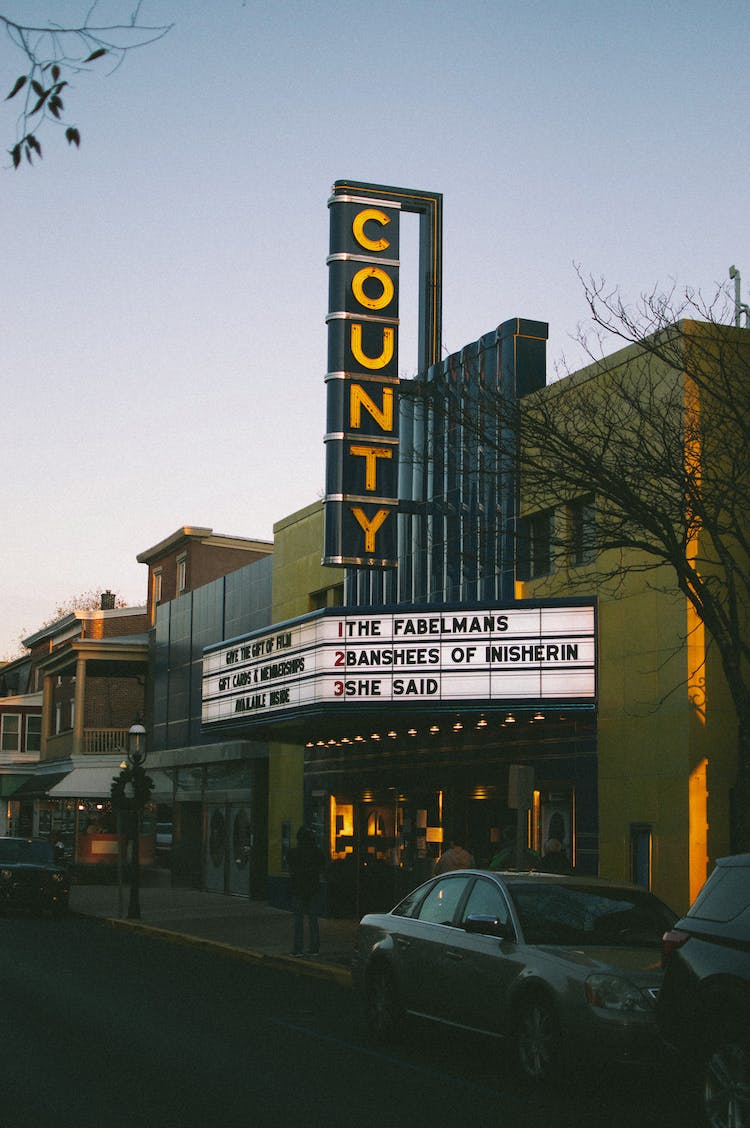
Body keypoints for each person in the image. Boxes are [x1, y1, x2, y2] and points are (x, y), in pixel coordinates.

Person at [287, 826, 325, 956]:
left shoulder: (293, 853)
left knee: (298, 920)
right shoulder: (318, 853)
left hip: (298, 890)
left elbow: (290, 869)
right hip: (313, 889)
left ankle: (298, 949)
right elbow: (322, 869)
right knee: (313, 920)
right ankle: (314, 948)